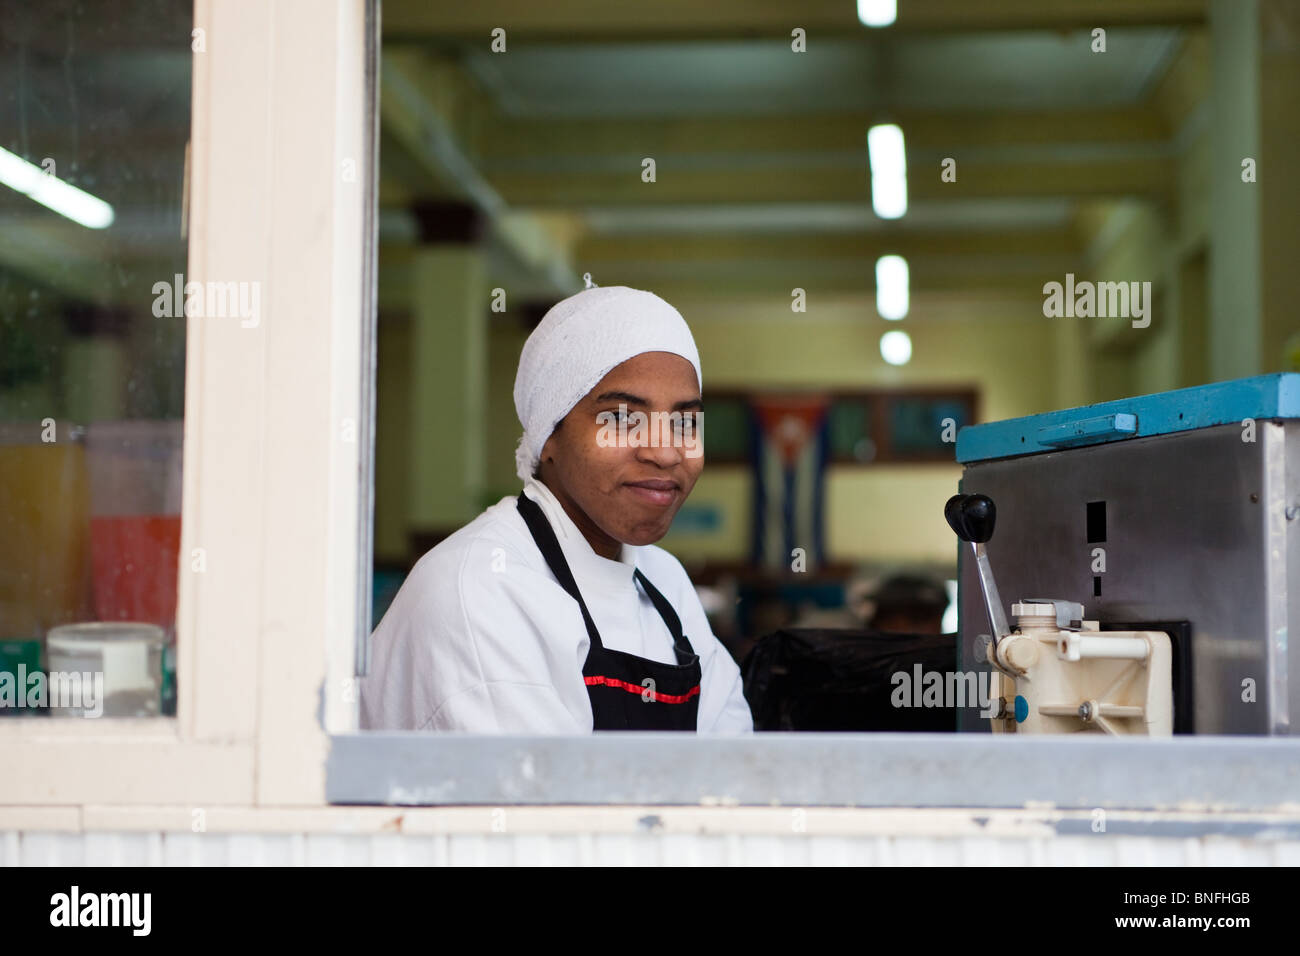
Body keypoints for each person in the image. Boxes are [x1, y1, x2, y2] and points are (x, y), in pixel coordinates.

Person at [360, 283, 754, 734]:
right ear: (549, 434)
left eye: (684, 421)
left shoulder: (665, 582)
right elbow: (542, 799)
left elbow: (734, 761)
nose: (665, 453)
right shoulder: (480, 591)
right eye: (623, 419)